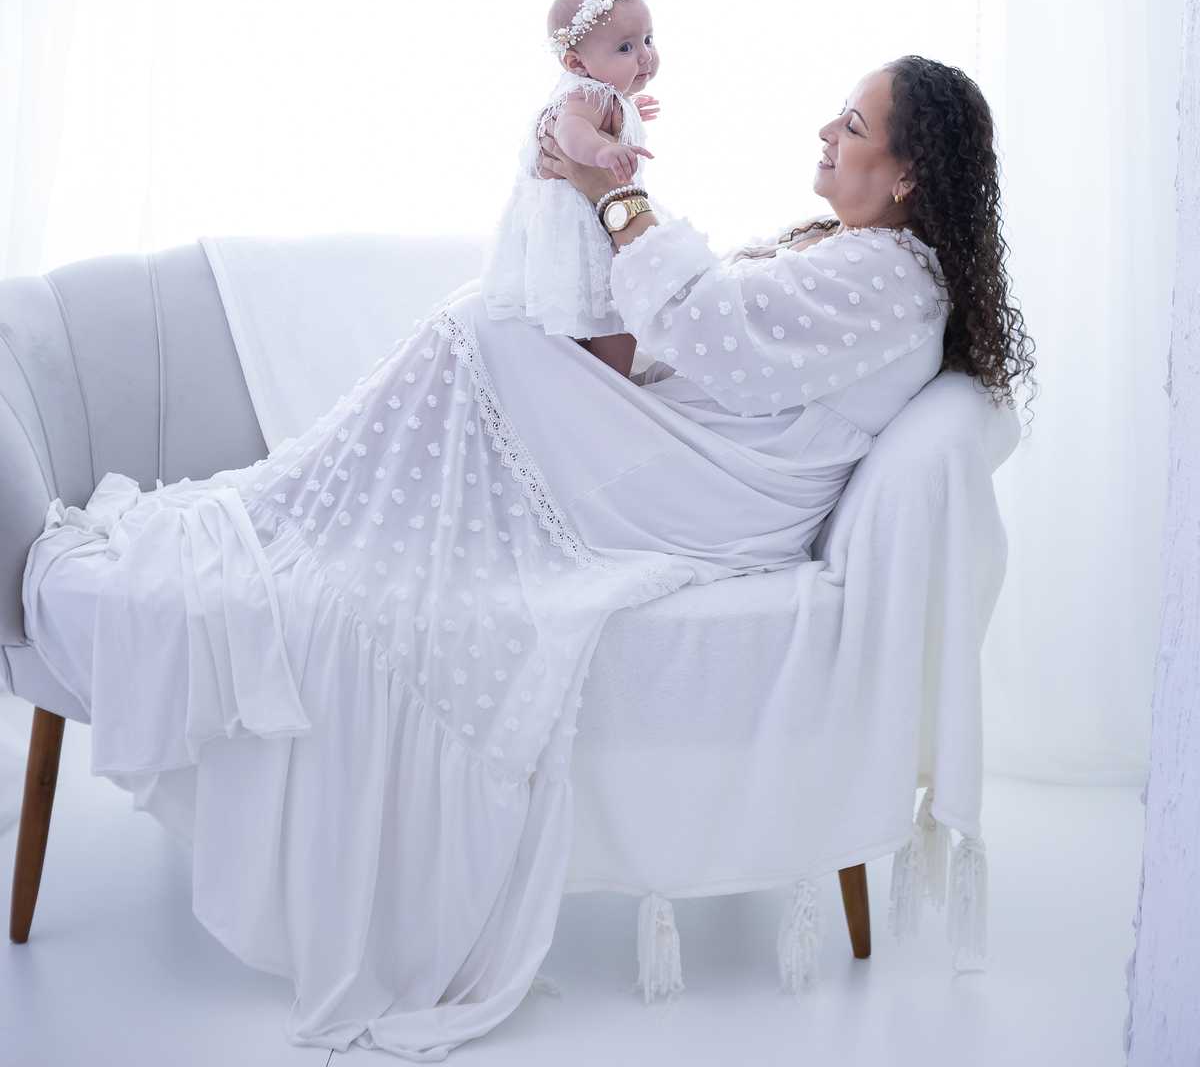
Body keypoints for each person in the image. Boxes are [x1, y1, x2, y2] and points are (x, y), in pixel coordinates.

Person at [25, 55, 1033, 1060]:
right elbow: (727, 347)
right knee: (495, 323)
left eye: (853, 126)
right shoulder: (874, 262)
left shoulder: (886, 278)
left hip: (703, 498)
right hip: (703, 467)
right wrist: (600, 213)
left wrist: (614, 194)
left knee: (483, 330)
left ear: (908, 175)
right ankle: (286, 515)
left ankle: (276, 515)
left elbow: (716, 329)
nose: (825, 133)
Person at [481, 0, 659, 378]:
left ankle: (600, 385)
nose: (646, 56)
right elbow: (568, 132)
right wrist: (602, 149)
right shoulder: (585, 95)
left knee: (601, 315)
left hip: (584, 222)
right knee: (616, 313)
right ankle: (609, 388)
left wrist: (629, 108)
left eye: (648, 39)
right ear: (576, 63)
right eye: (626, 47)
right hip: (581, 228)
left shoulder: (602, 93)